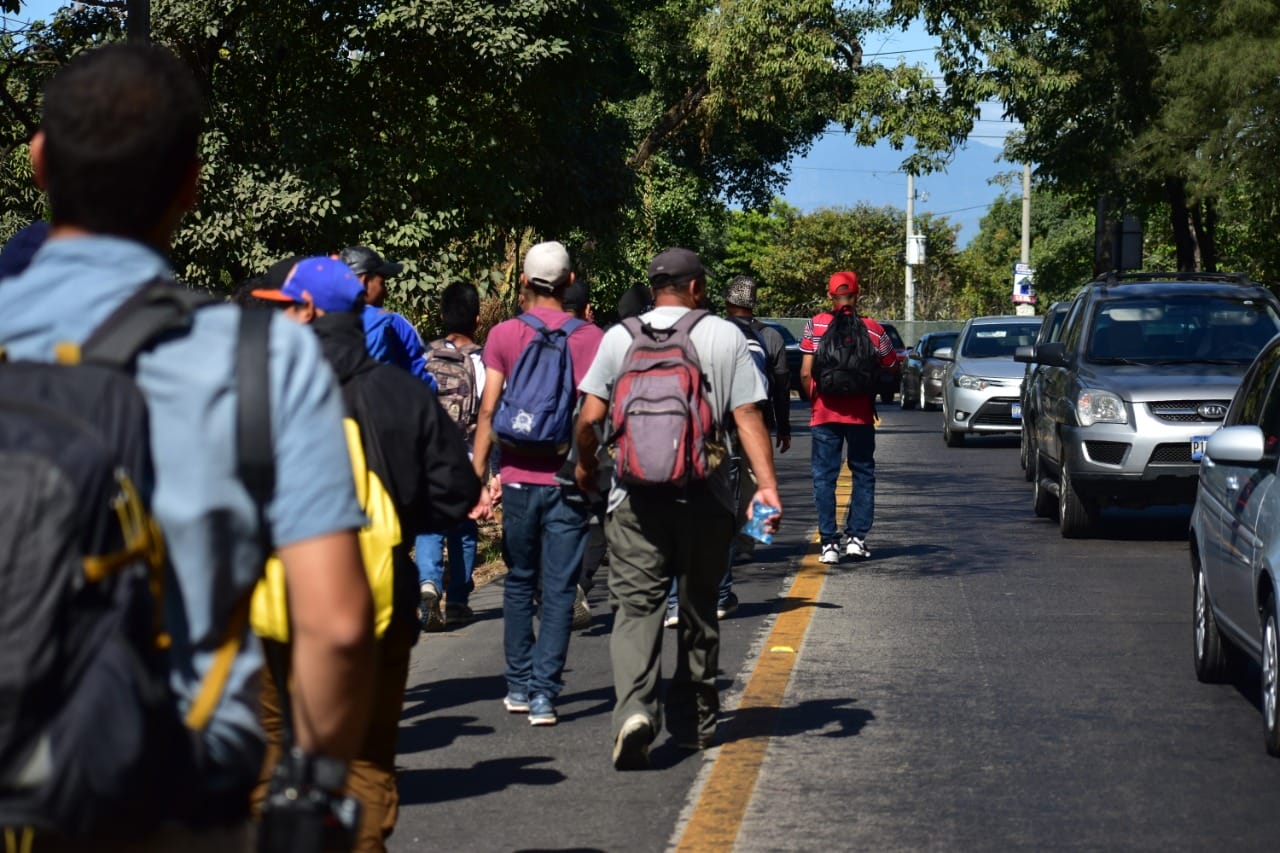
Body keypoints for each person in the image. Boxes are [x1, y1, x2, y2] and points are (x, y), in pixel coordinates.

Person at [0, 43, 375, 848]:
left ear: (38, 162)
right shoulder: (259, 358)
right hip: (169, 797)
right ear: (191, 186)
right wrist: (309, 794)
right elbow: (338, 625)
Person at [249, 257, 480, 852]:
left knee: (272, 754)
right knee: (368, 760)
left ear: (304, 310)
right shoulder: (401, 393)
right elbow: (456, 494)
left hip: (276, 606)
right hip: (380, 598)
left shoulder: (259, 391)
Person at [574, 247, 783, 770]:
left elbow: (589, 418)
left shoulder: (619, 337)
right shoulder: (724, 335)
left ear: (652, 287)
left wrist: (586, 467)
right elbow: (748, 416)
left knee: (635, 611)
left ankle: (634, 713)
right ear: (697, 288)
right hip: (705, 495)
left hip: (632, 499)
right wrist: (766, 486)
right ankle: (692, 725)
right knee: (696, 611)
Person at [471, 240, 603, 726]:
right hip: (567, 479)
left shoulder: (504, 335)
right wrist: (588, 471)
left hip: (519, 479)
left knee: (519, 582)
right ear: (570, 283)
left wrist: (481, 480)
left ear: (523, 282)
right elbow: (591, 419)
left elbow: (488, 411)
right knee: (560, 587)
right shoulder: (591, 338)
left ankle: (519, 687)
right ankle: (546, 695)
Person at [799, 270, 896, 564]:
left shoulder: (815, 325)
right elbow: (891, 364)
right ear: (857, 295)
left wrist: (814, 398)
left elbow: (805, 373)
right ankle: (856, 539)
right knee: (863, 474)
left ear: (830, 296)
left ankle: (829, 543)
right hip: (861, 415)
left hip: (824, 413)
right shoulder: (873, 328)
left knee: (824, 478)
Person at [417, 280, 488, 630]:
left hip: (427, 454)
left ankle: (428, 584)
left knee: (429, 523)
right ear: (477, 318)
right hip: (464, 456)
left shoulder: (425, 355)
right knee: (463, 527)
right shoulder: (480, 361)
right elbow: (488, 415)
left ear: (443, 315)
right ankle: (458, 600)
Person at [339, 245, 437, 390]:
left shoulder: (319, 321)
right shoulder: (393, 322)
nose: (386, 294)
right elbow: (424, 381)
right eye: (382, 284)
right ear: (365, 281)